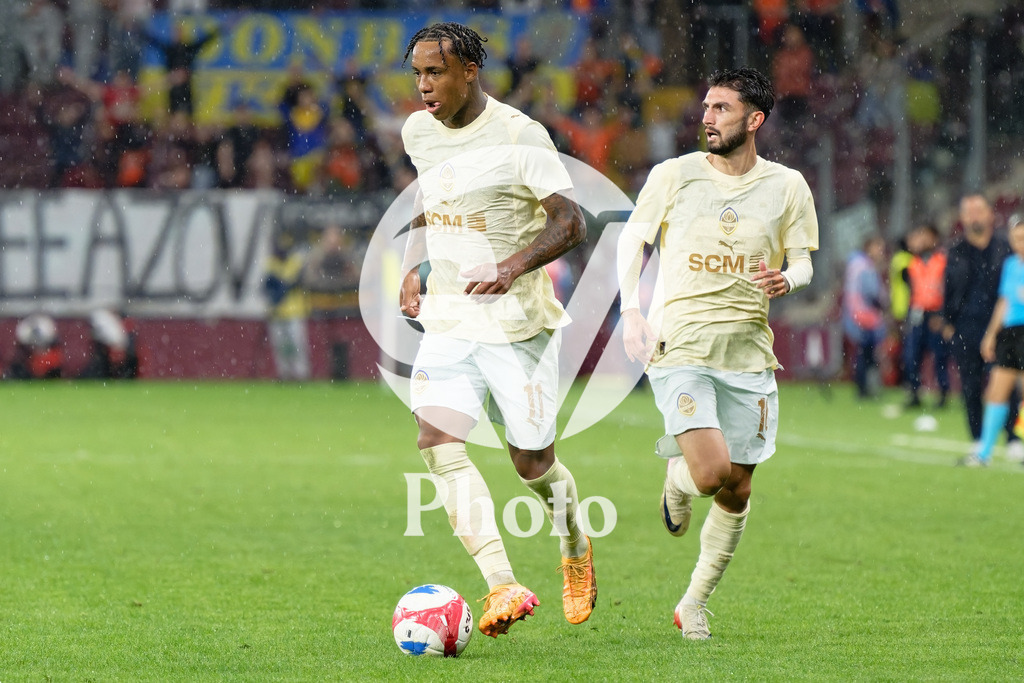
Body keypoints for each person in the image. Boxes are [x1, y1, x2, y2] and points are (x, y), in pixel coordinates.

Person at [398, 22, 594, 639]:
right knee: (436, 438)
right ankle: (501, 583)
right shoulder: (417, 133)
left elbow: (571, 222)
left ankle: (574, 546)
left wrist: (511, 267)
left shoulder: (518, 134)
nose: (425, 87)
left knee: (531, 461)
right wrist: (412, 267)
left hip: (518, 321)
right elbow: (431, 201)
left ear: (469, 72)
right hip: (452, 315)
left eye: (436, 73)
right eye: (418, 74)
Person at [617, 67, 817, 641]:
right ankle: (677, 484)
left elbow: (803, 260)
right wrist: (631, 309)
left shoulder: (787, 186)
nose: (707, 117)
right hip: (679, 344)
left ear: (754, 120)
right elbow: (634, 242)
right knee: (709, 475)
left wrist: (789, 279)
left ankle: (694, 603)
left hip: (750, 354)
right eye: (706, 107)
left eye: (722, 109)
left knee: (738, 488)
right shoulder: (674, 175)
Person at [944, 194, 1019, 461]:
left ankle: (1013, 437)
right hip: (967, 327)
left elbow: (1007, 294)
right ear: (962, 217)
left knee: (1007, 383)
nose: (974, 216)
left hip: (1005, 328)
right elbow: (949, 290)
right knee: (970, 385)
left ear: (990, 214)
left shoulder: (1006, 248)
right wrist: (948, 323)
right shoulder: (955, 251)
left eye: (979, 210)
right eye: (968, 211)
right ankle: (978, 440)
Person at [971, 215, 1024, 466]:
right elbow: (1004, 301)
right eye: (1016, 239)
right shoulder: (1012, 264)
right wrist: (991, 334)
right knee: (996, 391)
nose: (1019, 243)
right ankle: (984, 453)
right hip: (1011, 334)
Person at [903, 222, 950, 408]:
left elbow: (947, 289)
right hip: (917, 312)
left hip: (935, 314)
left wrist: (942, 315)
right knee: (912, 355)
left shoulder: (942, 260)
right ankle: (914, 393)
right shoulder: (912, 262)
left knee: (940, 355)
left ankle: (943, 394)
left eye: (926, 236)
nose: (922, 240)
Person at [841, 235, 888, 399]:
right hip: (865, 316)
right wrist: (884, 303)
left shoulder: (854, 263)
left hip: (854, 314)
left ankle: (862, 388)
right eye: (878, 247)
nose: (881, 251)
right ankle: (865, 389)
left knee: (862, 353)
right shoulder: (866, 266)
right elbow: (873, 292)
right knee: (867, 355)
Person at [263, 232, 310, 381]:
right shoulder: (271, 264)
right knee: (281, 346)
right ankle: (285, 373)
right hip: (277, 312)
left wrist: (282, 288)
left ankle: (301, 373)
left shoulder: (295, 263)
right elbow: (266, 287)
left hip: (294, 311)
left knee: (297, 345)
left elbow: (298, 283)